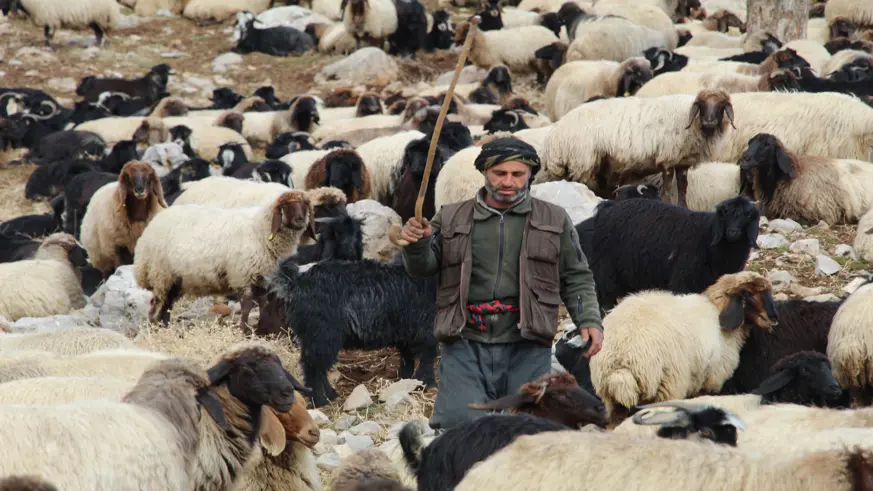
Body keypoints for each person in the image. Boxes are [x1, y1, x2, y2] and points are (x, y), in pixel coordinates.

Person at [400, 136, 603, 430]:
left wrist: (589, 318)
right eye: (499, 173)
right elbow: (422, 269)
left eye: (517, 174)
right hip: (465, 341)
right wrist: (417, 245)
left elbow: (576, 275)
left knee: (528, 429)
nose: (508, 182)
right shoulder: (451, 217)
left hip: (527, 342)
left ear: (530, 175)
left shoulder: (554, 219)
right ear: (484, 171)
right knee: (460, 426)